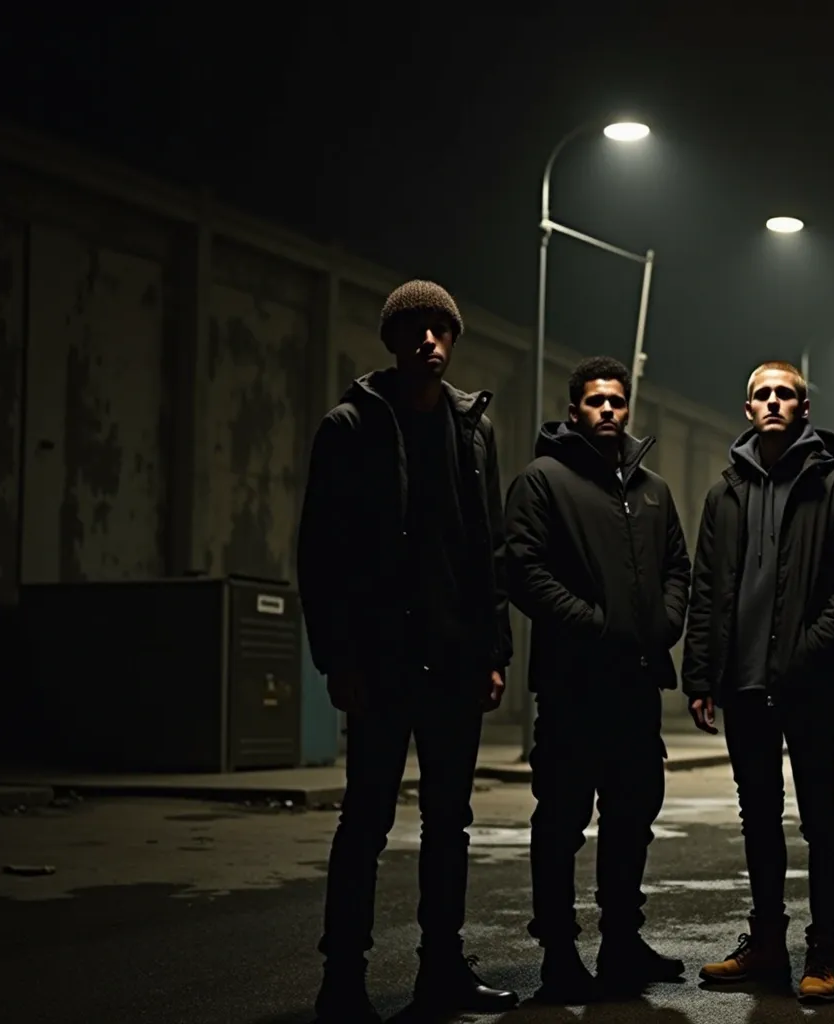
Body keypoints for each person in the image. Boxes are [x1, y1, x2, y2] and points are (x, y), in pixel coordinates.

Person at [297, 280, 517, 1023]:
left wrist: (494, 651)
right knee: (366, 821)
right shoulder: (351, 426)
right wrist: (339, 659)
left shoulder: (473, 430)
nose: (429, 340)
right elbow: (320, 554)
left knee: (449, 823)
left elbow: (489, 549)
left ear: (453, 339)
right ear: (392, 341)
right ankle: (342, 982)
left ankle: (442, 972)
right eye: (414, 328)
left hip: (454, 659)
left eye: (441, 328)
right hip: (382, 661)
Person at [683, 361, 834, 1003]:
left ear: (804, 407)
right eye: (762, 394)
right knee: (758, 817)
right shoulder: (724, 494)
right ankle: (767, 943)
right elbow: (707, 590)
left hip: (808, 684)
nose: (773, 402)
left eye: (785, 394)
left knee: (820, 815)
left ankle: (823, 952)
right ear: (748, 409)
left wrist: (805, 652)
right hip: (742, 684)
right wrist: (700, 675)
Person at [503, 356, 692, 1003]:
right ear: (574, 409)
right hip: (572, 685)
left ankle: (621, 944)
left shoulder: (652, 490)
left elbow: (677, 567)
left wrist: (664, 623)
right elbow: (522, 569)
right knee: (561, 822)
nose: (608, 410)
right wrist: (593, 624)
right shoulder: (543, 480)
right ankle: (559, 954)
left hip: (637, 686)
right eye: (595, 401)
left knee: (632, 819)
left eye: (616, 401)